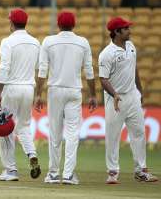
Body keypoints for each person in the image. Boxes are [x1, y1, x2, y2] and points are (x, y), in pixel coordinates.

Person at [35, 11, 97, 185]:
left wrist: (38, 94)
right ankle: (68, 175)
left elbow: (42, 70)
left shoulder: (49, 41)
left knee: (54, 133)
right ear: (74, 25)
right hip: (74, 91)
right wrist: (92, 95)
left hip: (55, 90)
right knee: (72, 133)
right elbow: (89, 72)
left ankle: (54, 174)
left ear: (58, 25)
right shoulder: (83, 42)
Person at [99, 17, 158, 184]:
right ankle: (112, 172)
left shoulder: (131, 47)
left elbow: (135, 68)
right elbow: (103, 79)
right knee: (113, 136)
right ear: (116, 32)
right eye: (125, 28)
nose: (129, 31)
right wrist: (115, 94)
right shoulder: (106, 54)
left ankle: (141, 170)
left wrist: (139, 90)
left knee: (139, 132)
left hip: (132, 96)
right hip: (115, 99)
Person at [0, 8, 41, 181]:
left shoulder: (8, 41)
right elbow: (38, 68)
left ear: (12, 23)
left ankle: (11, 170)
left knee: (4, 129)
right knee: (24, 126)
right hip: (28, 88)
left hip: (12, 88)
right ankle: (31, 154)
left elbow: (4, 67)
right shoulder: (36, 42)